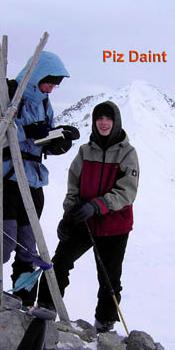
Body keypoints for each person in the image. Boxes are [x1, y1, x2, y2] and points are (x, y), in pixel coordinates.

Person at [0, 51, 74, 309]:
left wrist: (58, 142)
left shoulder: (45, 103)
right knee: (4, 241)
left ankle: (22, 300)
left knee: (28, 245)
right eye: (50, 82)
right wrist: (26, 131)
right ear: (38, 75)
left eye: (56, 84)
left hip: (33, 181)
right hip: (4, 178)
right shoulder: (7, 92)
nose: (52, 89)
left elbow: (41, 140)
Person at [36, 100, 139, 332]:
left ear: (115, 122)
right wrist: (68, 215)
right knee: (59, 263)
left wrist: (100, 205)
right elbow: (73, 185)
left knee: (109, 279)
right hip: (84, 219)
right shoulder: (85, 151)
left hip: (114, 226)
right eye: (99, 118)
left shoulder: (128, 153)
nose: (103, 123)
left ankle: (104, 326)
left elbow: (127, 192)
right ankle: (45, 309)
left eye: (107, 119)